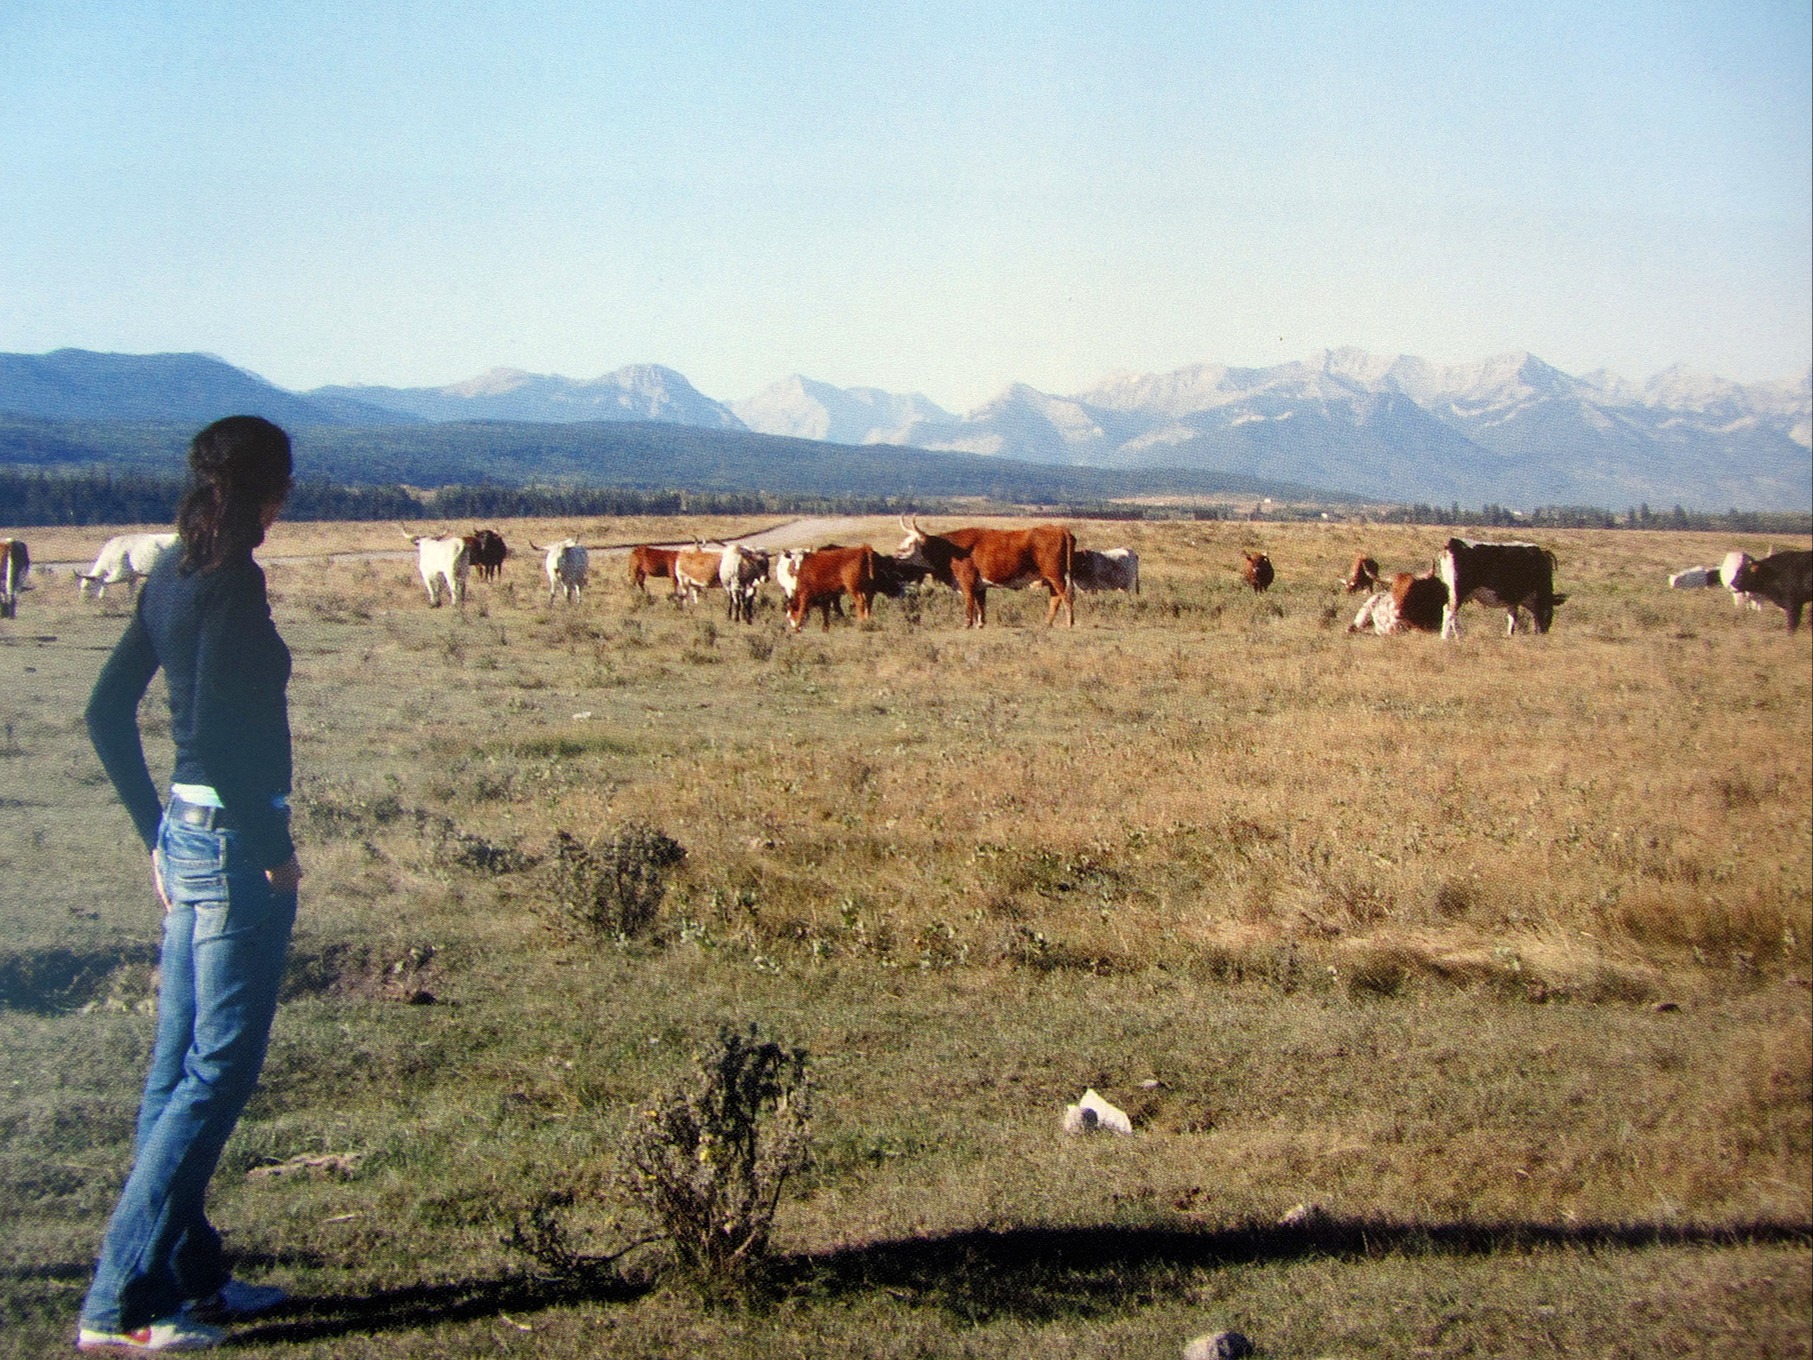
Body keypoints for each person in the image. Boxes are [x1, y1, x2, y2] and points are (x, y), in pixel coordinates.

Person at [77, 416, 302, 1353]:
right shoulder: (232, 582)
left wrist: (153, 839)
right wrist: (271, 842)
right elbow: (215, 736)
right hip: (231, 845)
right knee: (215, 1074)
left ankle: (193, 1275)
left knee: (176, 1073)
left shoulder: (169, 573)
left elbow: (103, 713)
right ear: (265, 491)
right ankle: (120, 1304)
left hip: (185, 836)